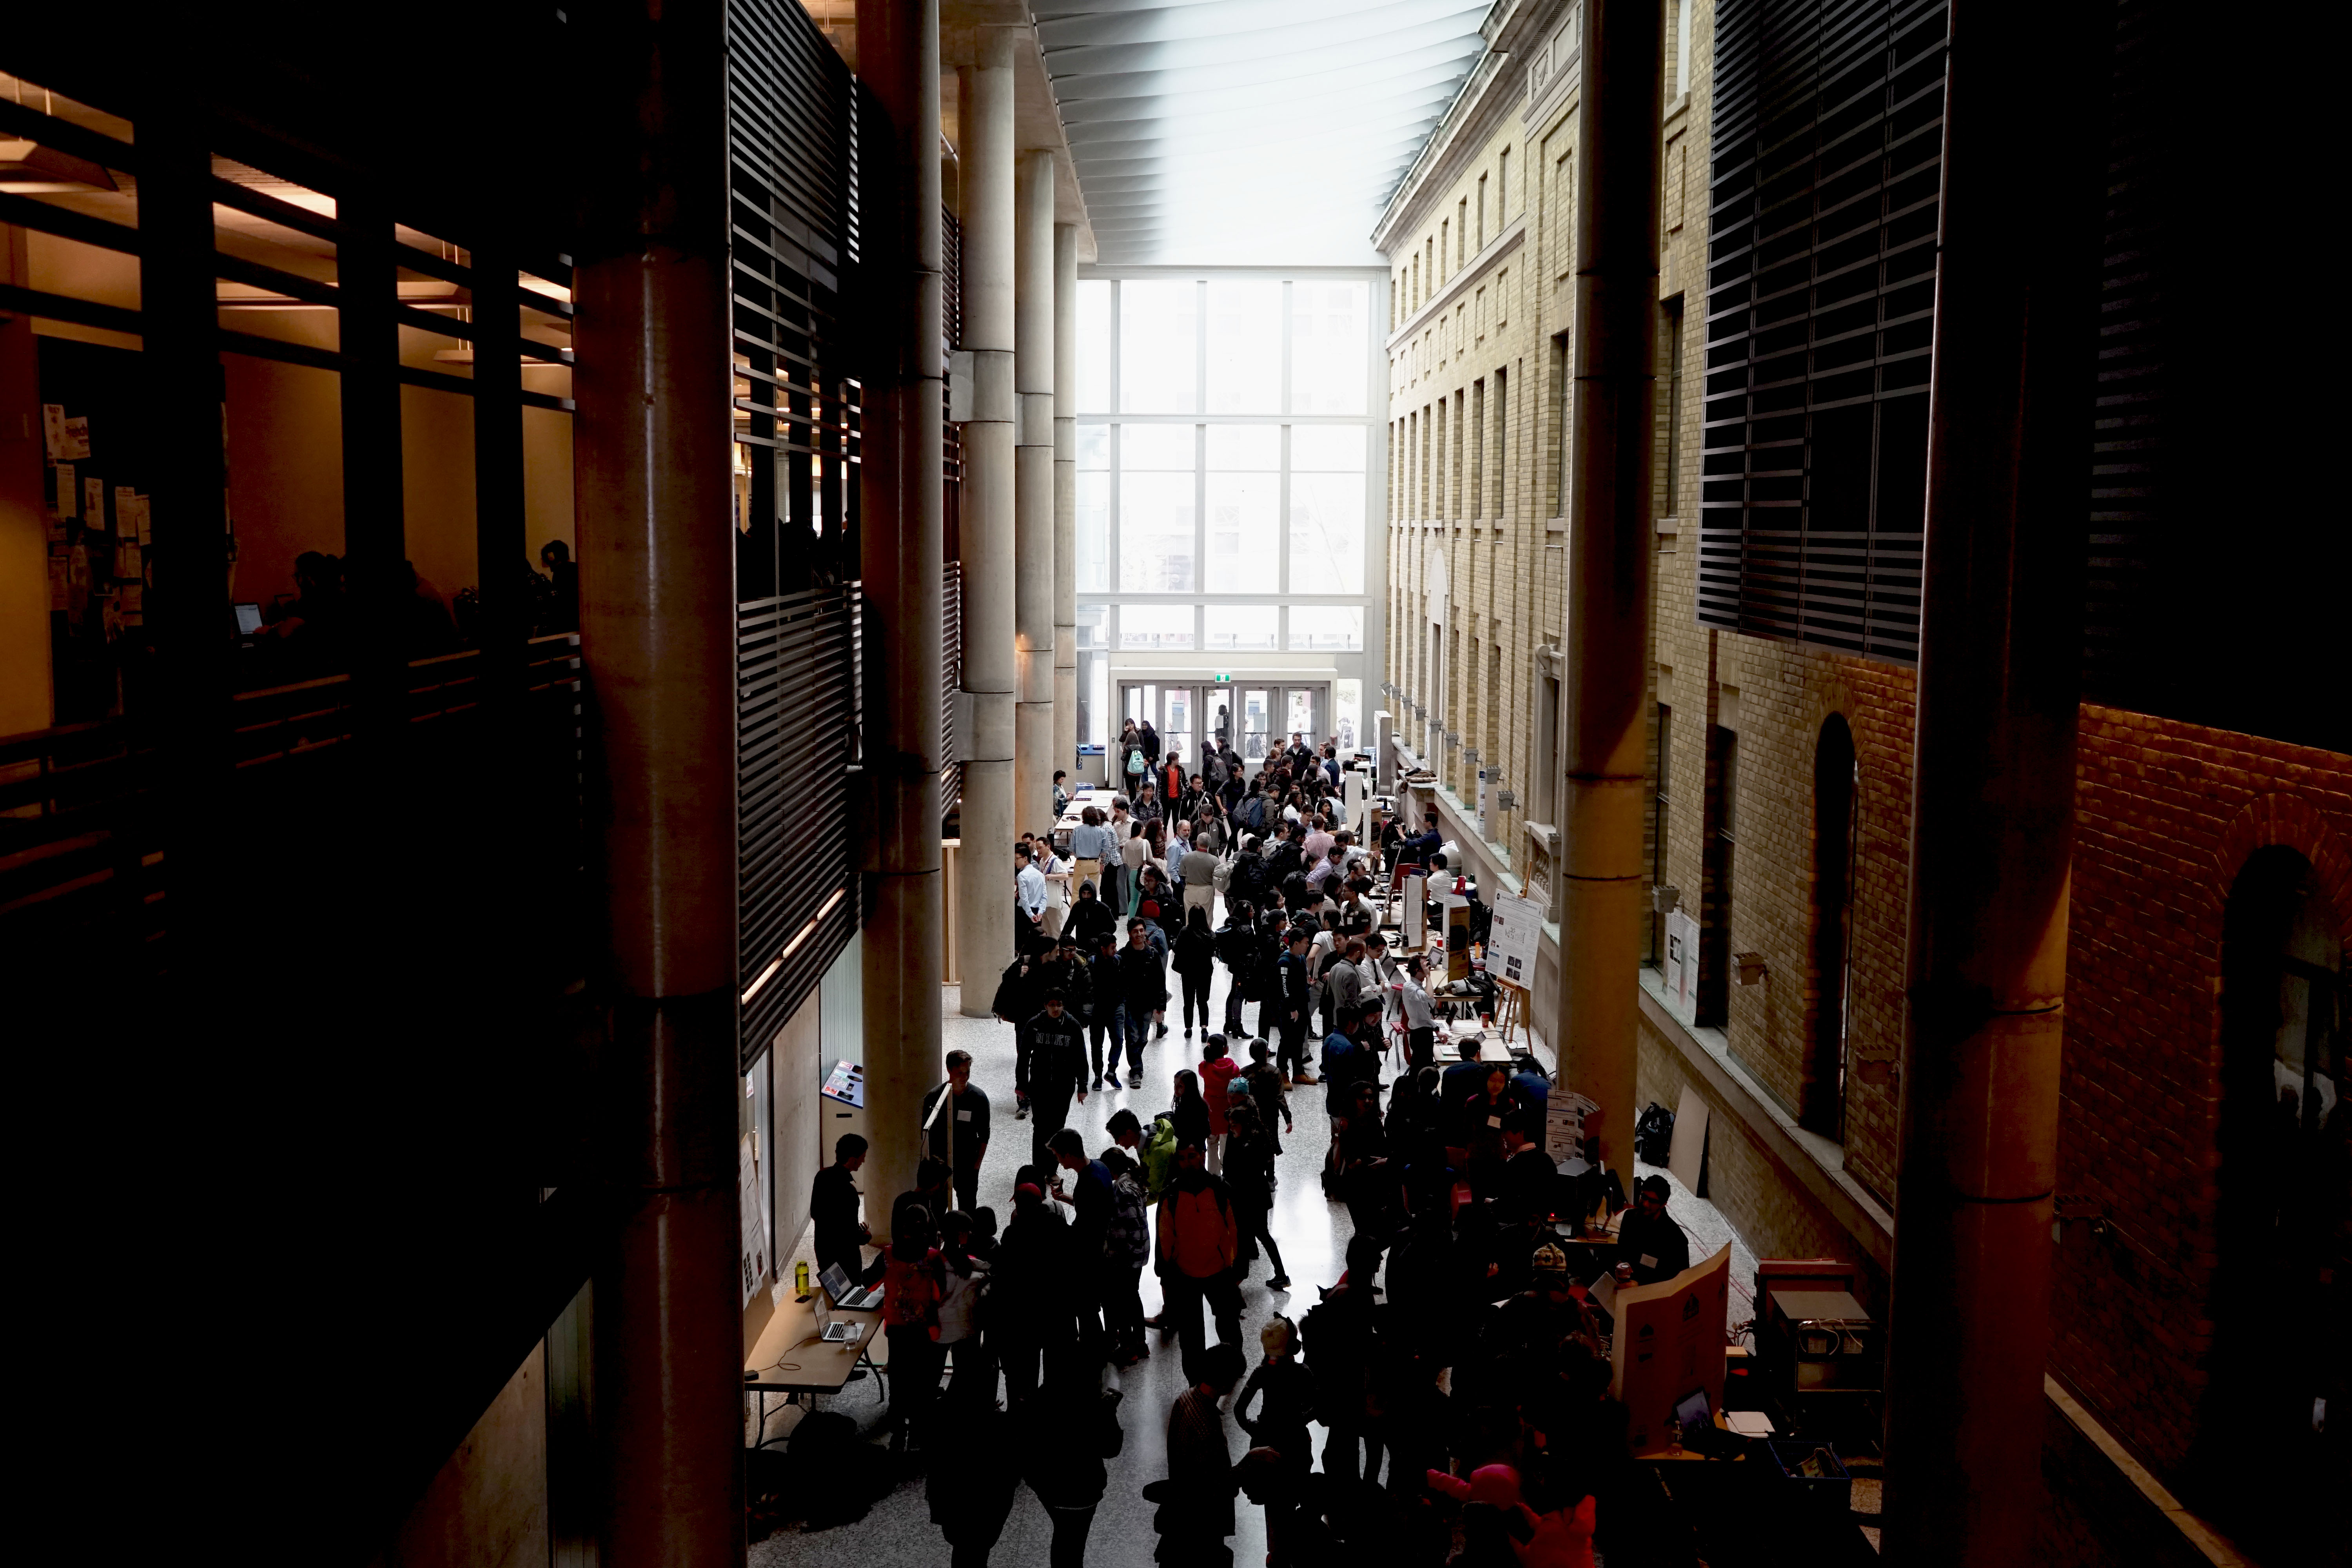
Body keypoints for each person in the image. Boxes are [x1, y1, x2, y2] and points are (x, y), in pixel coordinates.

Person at [1151, 1341, 1245, 1563]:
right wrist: (1250, 1461)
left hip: (1179, 1509)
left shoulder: (1186, 1398)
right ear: (1228, 1383)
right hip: (1201, 1519)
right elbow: (1218, 1484)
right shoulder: (1207, 1425)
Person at [1154, 1139, 1241, 1370]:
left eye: (1191, 1156)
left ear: (1203, 1155)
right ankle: (1196, 1380)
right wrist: (1164, 1272)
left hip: (1219, 1271)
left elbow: (1236, 1229)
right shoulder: (1170, 1195)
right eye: (1182, 1159)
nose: (1187, 1163)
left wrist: (1239, 1267)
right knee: (1191, 1337)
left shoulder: (1221, 1189)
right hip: (1184, 1275)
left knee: (1229, 1327)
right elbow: (1164, 1236)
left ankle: (1232, 1368)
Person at [1022, 1374, 1119, 1568]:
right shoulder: (1095, 1405)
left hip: (1048, 1487)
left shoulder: (1043, 1395)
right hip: (1083, 1492)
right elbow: (1111, 1449)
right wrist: (1110, 1412)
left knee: (1064, 1536)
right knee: (1073, 1546)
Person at [926, 1372, 1022, 1568]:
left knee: (963, 1551)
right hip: (986, 1512)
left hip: (950, 1507)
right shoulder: (1000, 1426)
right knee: (977, 1554)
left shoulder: (937, 1414)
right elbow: (1013, 1472)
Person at [993, 1181, 1069, 1407]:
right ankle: (1052, 1414)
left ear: (1018, 1205)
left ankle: (1024, 1415)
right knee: (1056, 1370)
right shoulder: (1059, 1226)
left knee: (1026, 1372)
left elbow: (1005, 1274)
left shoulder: (1013, 1233)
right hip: (1057, 1310)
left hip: (1026, 1314)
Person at [879, 1205, 947, 1454]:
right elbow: (944, 1290)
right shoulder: (932, 1258)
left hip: (897, 1330)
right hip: (924, 1331)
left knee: (898, 1379)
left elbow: (869, 1280)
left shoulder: (888, 1254)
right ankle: (918, 1432)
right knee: (923, 1381)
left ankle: (898, 1432)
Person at [1046, 1126, 1114, 1359]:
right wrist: (1065, 1198)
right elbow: (1093, 1207)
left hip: (1089, 1252)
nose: (1056, 1160)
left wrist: (1059, 1229)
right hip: (1100, 1244)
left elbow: (1087, 1227)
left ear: (1068, 1155)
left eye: (1057, 1155)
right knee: (1091, 1304)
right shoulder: (1100, 1168)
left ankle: (1093, 1351)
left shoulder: (1089, 1182)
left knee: (1085, 1305)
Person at [1223, 1097, 1289, 1289]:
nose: (1232, 1128)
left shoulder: (1248, 1145)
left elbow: (1242, 1172)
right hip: (1256, 1196)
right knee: (1262, 1234)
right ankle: (1281, 1275)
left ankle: (1238, 1277)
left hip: (1249, 1197)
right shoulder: (1253, 1137)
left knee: (1246, 1235)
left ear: (1243, 1124)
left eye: (1234, 1125)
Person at [1022, 993, 1090, 1166]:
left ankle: (1052, 1168)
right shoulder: (1034, 1024)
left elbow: (1081, 1056)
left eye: (1059, 1004)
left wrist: (1082, 1085)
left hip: (1063, 1088)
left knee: (1057, 1128)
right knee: (1040, 1127)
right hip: (1039, 1086)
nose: (1056, 1009)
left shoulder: (1072, 1025)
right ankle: (1038, 1168)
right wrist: (1021, 1084)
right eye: (1052, 1005)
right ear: (1045, 1006)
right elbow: (1023, 1057)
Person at [1100, 1146, 1153, 1365]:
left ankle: (1129, 1349)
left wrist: (1119, 1256)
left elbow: (1129, 1223)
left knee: (1121, 1299)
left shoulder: (1121, 1189)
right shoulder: (1133, 1181)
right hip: (1139, 1250)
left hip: (1127, 1254)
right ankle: (1140, 1343)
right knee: (1132, 1295)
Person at [922, 1051, 991, 1215]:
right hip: (940, 1165)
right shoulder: (934, 1098)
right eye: (960, 1072)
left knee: (967, 1211)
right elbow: (925, 1136)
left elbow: (984, 1135)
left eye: (967, 1072)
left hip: (967, 1165)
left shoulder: (979, 1098)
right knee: (937, 1210)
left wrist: (976, 1167)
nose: (965, 1077)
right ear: (949, 1070)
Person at [810, 1132, 872, 1280]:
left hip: (824, 1250)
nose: (863, 1161)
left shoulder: (822, 1176)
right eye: (862, 1158)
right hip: (846, 1258)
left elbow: (816, 1214)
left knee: (832, 1292)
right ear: (852, 1160)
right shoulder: (848, 1191)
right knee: (850, 1296)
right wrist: (864, 1237)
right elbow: (846, 1234)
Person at [1117, 917, 1168, 1089]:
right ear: (1130, 934)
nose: (1139, 934)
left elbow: (1160, 981)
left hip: (1147, 1003)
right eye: (1135, 931)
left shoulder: (1152, 954)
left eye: (1141, 931)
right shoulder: (1123, 955)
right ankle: (1136, 1070)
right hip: (1129, 1004)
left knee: (1143, 1038)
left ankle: (1136, 1062)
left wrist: (1161, 1006)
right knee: (1132, 1037)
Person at [1613, 1174, 1691, 1286]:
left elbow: (1678, 1282)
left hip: (1651, 1295)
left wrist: (1640, 1285)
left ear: (1663, 1204)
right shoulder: (1629, 1217)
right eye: (1644, 1197)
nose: (1646, 1204)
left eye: (1653, 1201)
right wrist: (1619, 1265)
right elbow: (1621, 1250)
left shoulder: (1677, 1239)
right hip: (1623, 1284)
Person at [1276, 926, 1316, 1085]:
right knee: (1287, 1041)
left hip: (1303, 1006)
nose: (1308, 946)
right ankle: (1283, 1073)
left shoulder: (1300, 958)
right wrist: (1292, 1008)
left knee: (1300, 1040)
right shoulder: (1284, 962)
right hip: (1290, 1009)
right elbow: (1284, 988)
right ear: (1297, 943)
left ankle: (1298, 1072)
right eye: (1306, 943)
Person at [1085, 929, 1125, 1088]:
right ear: (1103, 948)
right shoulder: (1092, 963)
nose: (1115, 951)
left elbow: (1124, 981)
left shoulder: (1119, 961)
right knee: (1097, 1044)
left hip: (1116, 1007)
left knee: (1118, 1041)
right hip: (1098, 1010)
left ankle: (1111, 1072)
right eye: (1112, 947)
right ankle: (1097, 1076)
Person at [1198, 1032, 1242, 1172]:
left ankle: (1214, 1174)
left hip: (1210, 1111)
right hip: (1227, 1110)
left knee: (1212, 1143)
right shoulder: (1232, 1067)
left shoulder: (1204, 1067)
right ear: (1226, 1050)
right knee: (1226, 1140)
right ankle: (1226, 1168)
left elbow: (1201, 1072)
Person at [1173, 905, 1217, 1039]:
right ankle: (1204, 1028)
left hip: (1188, 971)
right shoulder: (1210, 934)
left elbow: (1177, 949)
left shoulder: (1185, 931)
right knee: (1203, 1001)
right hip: (1205, 970)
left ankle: (1188, 1029)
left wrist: (1174, 941)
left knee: (1188, 1001)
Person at [1015, 842, 1049, 955]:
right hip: (1036, 912)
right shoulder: (1040, 874)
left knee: (1022, 945)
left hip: (1024, 913)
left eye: (1017, 859)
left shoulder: (1022, 876)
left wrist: (1031, 916)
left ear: (1025, 858)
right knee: (1036, 943)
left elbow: (1025, 899)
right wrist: (1040, 913)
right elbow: (1044, 896)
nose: (1015, 862)